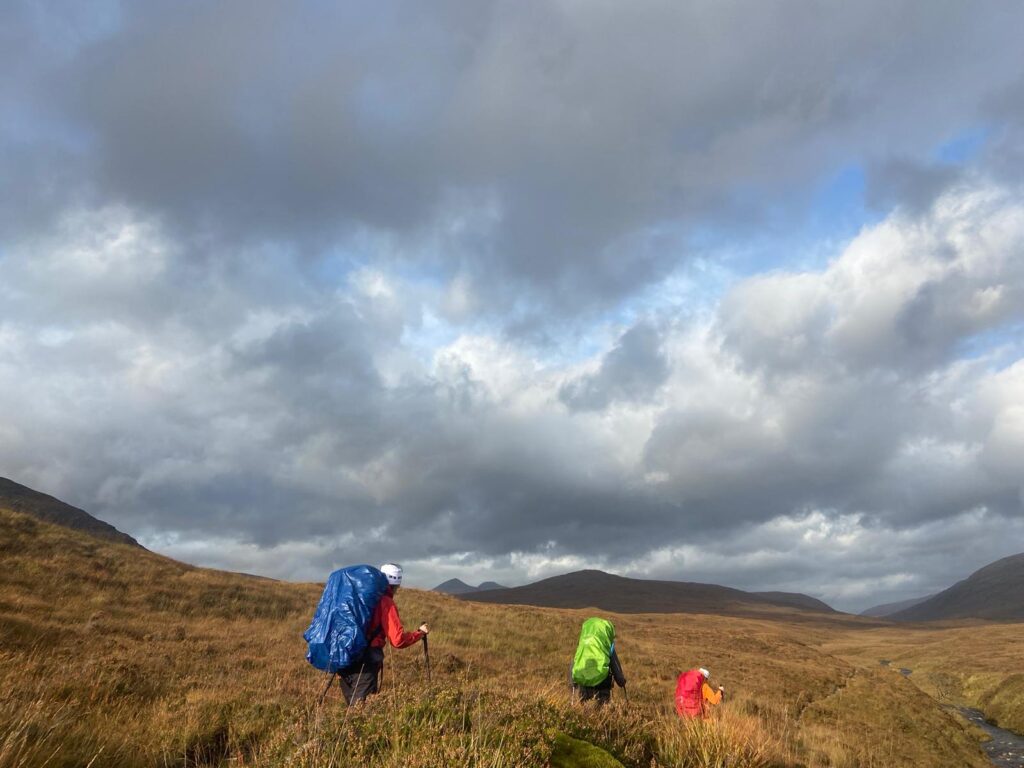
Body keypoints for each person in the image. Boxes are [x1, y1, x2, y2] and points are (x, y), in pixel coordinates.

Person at [338, 563, 429, 705]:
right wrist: (419, 633)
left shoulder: (356, 596)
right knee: (362, 710)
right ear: (395, 585)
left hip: (344, 657)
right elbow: (397, 640)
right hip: (366, 662)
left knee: (351, 707)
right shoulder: (385, 602)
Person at [570, 617, 626, 705]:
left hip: (583, 687)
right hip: (602, 687)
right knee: (600, 710)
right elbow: (616, 667)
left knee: (584, 709)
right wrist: (621, 682)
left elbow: (574, 665)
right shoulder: (607, 647)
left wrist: (573, 684)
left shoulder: (583, 646)